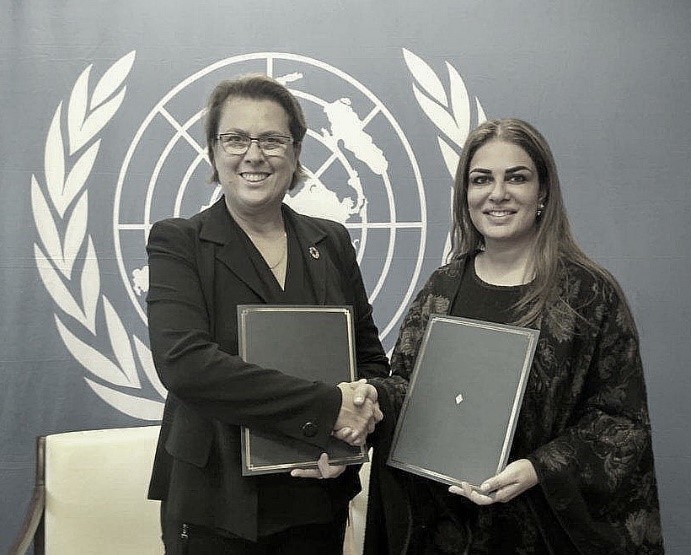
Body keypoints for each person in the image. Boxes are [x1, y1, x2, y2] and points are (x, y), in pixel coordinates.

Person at [365, 118, 664, 554]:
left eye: (517, 178)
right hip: (445, 529)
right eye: (481, 179)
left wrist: (539, 468)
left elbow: (621, 422)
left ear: (543, 193)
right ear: (465, 194)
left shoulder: (588, 295)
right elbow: (406, 389)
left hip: (541, 532)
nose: (497, 193)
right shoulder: (441, 288)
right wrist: (366, 400)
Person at [146, 74, 389, 554]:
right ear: (213, 152)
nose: (253, 155)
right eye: (236, 139)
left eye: (272, 140)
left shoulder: (332, 242)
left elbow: (370, 362)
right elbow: (186, 365)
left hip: (316, 496)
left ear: (295, 153)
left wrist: (351, 435)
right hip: (215, 507)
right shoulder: (179, 242)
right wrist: (327, 409)